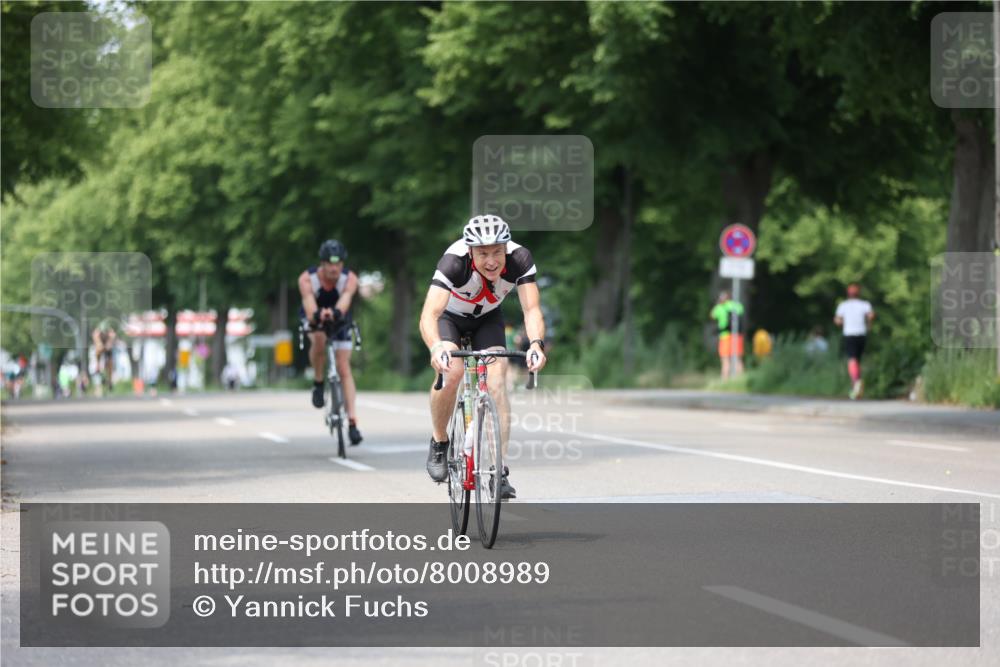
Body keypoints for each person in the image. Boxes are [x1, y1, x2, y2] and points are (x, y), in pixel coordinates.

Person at [419, 215, 547, 499]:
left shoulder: (520, 259)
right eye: (483, 254)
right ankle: (440, 441)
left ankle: (499, 472)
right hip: (450, 318)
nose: (492, 261)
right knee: (450, 372)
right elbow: (430, 314)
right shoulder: (454, 262)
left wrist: (536, 344)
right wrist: (436, 347)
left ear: (506, 248)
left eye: (497, 252)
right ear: (470, 251)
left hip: (488, 319)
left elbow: (532, 309)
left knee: (498, 380)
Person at [298, 239, 363, 445]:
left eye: (338, 264)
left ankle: (352, 422)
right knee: (318, 338)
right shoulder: (307, 279)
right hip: (314, 316)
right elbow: (309, 306)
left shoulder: (350, 279)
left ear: (342, 264)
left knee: (344, 367)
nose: (334, 268)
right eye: (329, 264)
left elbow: (344, 302)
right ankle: (318, 383)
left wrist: (334, 312)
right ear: (322, 264)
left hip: (339, 317)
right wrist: (318, 315)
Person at [834, 283, 875, 400]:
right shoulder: (865, 304)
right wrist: (868, 325)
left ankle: (856, 381)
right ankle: (855, 389)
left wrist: (843, 322)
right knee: (857, 360)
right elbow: (871, 315)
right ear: (858, 293)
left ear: (848, 294)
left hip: (849, 334)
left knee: (852, 360)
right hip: (862, 334)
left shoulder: (843, 305)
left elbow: (837, 320)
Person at [710, 291, 744, 379]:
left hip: (725, 336)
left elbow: (712, 316)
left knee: (725, 360)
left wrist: (718, 305)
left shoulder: (719, 307)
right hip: (737, 335)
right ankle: (740, 379)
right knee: (737, 358)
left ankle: (724, 379)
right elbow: (742, 311)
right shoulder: (735, 305)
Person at [91, 319, 117, 394]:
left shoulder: (111, 333)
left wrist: (108, 344)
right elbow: (98, 345)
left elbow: (110, 344)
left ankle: (110, 379)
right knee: (98, 352)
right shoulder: (96, 333)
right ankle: (98, 366)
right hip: (99, 349)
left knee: (110, 363)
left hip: (108, 349)